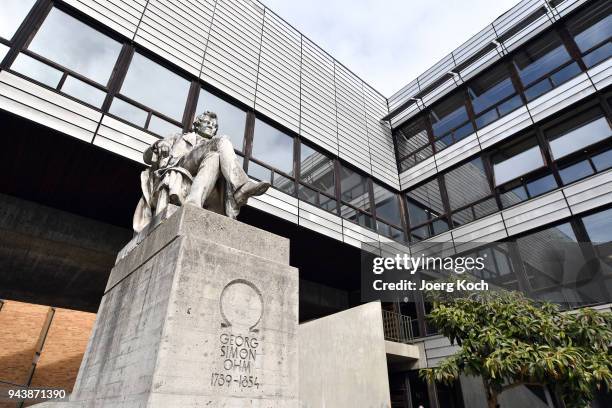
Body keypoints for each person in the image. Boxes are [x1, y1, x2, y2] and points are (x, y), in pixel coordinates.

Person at [133, 111, 269, 232]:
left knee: (214, 157)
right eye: (208, 123)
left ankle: (193, 203)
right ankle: (241, 188)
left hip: (201, 173)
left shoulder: (214, 150)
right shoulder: (178, 137)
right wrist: (160, 145)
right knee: (223, 140)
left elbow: (214, 155)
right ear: (196, 125)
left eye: (214, 126)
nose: (212, 127)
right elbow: (147, 157)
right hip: (179, 166)